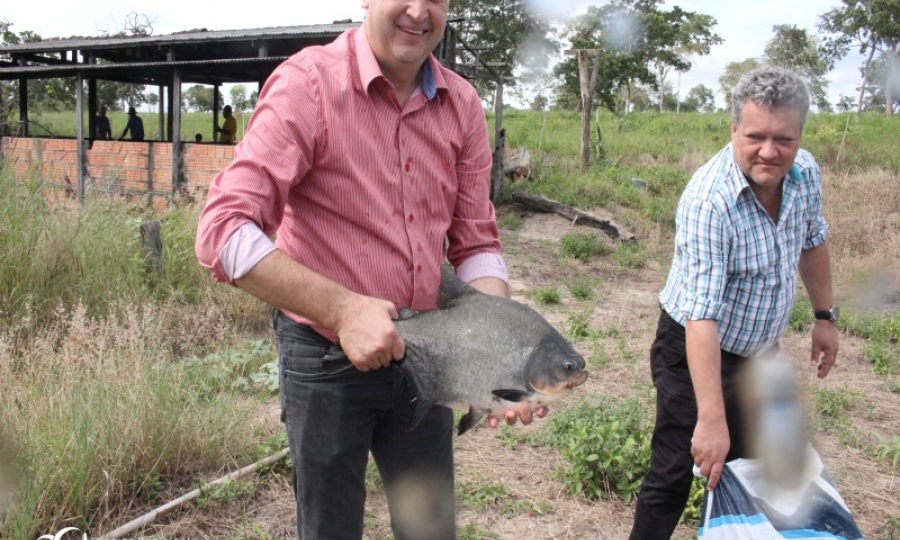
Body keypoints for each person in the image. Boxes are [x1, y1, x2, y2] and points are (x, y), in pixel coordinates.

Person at [195, 0, 544, 538]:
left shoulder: (462, 105)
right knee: (330, 527)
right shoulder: (306, 87)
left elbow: (475, 240)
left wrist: (498, 351)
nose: (418, 11)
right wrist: (343, 309)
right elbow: (223, 231)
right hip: (325, 356)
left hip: (431, 352)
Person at [628, 66, 840, 540]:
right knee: (675, 471)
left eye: (783, 138)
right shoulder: (709, 199)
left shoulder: (805, 173)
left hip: (759, 352)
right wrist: (711, 419)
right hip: (692, 349)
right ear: (733, 130)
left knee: (756, 470)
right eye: (755, 136)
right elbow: (702, 318)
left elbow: (813, 240)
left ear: (800, 134)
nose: (769, 151)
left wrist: (825, 317)